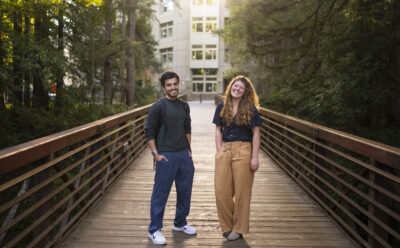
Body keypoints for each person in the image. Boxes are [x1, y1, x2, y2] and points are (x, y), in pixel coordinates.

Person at [145, 71, 196, 245]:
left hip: (183, 155)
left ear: (178, 84)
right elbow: (149, 131)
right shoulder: (158, 107)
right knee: (160, 194)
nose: (173, 87)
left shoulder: (184, 106)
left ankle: (180, 223)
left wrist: (189, 150)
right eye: (169, 85)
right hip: (165, 156)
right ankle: (154, 229)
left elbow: (187, 128)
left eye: (175, 84)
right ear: (164, 87)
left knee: (185, 191)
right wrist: (155, 154)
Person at [212, 75, 261, 241]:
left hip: (243, 149)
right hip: (225, 149)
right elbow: (218, 129)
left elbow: (256, 133)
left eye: (241, 87)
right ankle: (227, 226)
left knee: (242, 192)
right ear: (230, 87)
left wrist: (255, 157)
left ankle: (239, 228)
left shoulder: (250, 109)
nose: (237, 89)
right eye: (235, 86)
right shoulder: (222, 106)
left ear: (245, 91)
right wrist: (219, 150)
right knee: (221, 190)